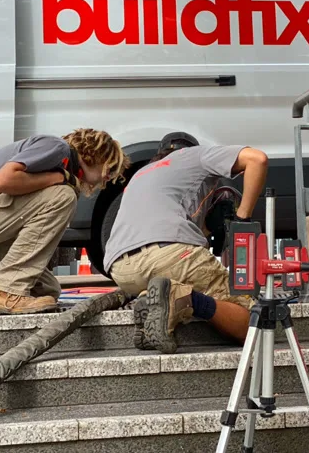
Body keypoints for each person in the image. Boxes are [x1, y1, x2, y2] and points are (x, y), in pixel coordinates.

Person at [0, 129, 129, 315]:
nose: (106, 181)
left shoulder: (59, 163)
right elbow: (2, 181)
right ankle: (6, 291)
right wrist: (59, 179)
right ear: (96, 155)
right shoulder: (56, 148)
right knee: (63, 196)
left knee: (45, 291)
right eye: (109, 171)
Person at [104, 132, 269, 354]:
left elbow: (175, 219)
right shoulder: (195, 155)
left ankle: (150, 299)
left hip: (122, 270)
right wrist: (242, 217)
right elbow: (257, 160)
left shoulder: (141, 174)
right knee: (253, 322)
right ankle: (181, 297)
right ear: (187, 149)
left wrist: (207, 224)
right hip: (167, 255)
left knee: (167, 274)